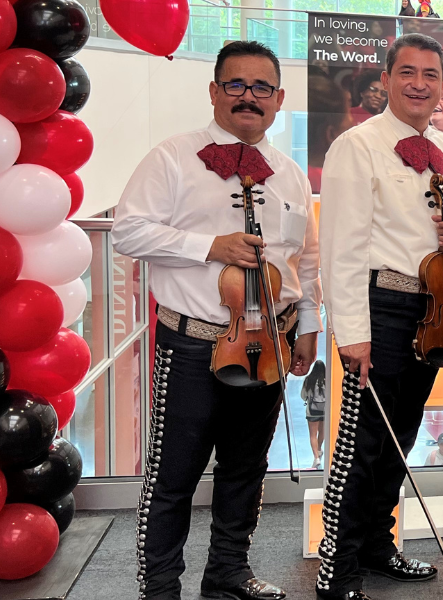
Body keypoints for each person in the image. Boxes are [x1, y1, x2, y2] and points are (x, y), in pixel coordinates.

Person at [112, 40, 321, 600]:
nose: (248, 97)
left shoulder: (290, 173)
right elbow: (128, 231)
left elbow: (306, 260)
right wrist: (210, 246)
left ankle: (228, 571)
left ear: (279, 99)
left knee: (245, 469)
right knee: (173, 477)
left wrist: (308, 325)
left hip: (270, 345)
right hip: (191, 344)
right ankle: (159, 588)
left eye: (261, 88)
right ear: (214, 92)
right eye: (236, 85)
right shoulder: (172, 157)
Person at [316, 33, 443, 600]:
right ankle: (337, 567)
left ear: (442, 84)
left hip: (435, 308)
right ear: (385, 79)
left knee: (400, 436)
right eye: (407, 73)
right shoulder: (356, 146)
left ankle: (377, 546)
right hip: (380, 305)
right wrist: (352, 335)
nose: (418, 84)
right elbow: (341, 249)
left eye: (430, 75)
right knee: (360, 444)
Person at [303, 360, 328, 469]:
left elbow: (303, 396)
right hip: (324, 411)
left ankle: (316, 457)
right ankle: (319, 449)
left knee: (313, 435)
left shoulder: (309, 380)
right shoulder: (327, 380)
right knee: (322, 431)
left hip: (312, 411)